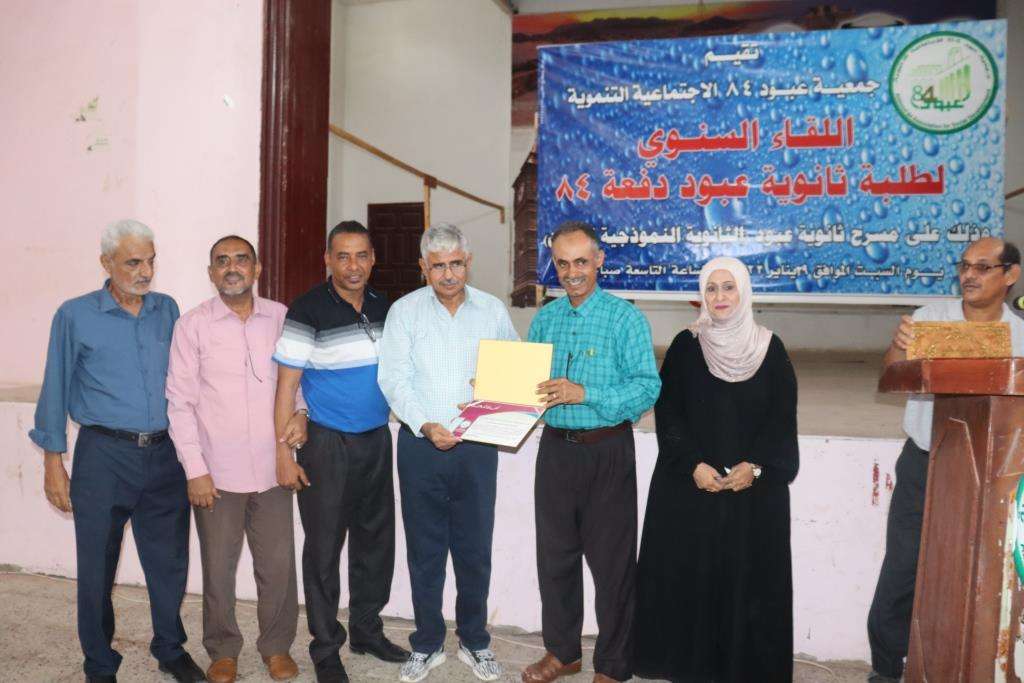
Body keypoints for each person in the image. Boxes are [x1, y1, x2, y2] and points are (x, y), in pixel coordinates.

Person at [30, 220, 205, 683]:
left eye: (150, 261)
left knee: (169, 562)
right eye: (133, 262)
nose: (145, 271)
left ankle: (170, 648)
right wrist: (53, 463)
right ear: (106, 263)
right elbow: (55, 387)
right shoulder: (75, 315)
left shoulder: (167, 310)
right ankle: (99, 661)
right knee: (96, 565)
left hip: (165, 456)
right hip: (103, 456)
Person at [632, 256, 799, 683]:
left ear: (744, 291)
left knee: (747, 587)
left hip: (751, 496)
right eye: (711, 288)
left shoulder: (771, 348)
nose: (720, 296)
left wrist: (756, 467)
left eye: (728, 287)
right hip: (694, 488)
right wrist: (692, 464)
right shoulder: (687, 345)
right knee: (693, 583)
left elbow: (781, 422)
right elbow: (669, 415)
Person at [866, 237, 1024, 682]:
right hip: (926, 463)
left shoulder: (1021, 335)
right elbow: (889, 375)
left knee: (986, 571)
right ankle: (886, 669)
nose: (969, 275)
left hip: (998, 475)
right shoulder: (929, 320)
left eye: (982, 267)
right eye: (964, 266)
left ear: (1010, 275)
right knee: (903, 568)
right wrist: (899, 347)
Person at [377, 223, 518, 683]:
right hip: (421, 446)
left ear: (468, 262)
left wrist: (497, 389)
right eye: (438, 266)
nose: (449, 274)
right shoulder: (404, 312)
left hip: (477, 448)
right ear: (424, 267)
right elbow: (393, 378)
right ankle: (428, 644)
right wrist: (425, 425)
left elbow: (515, 370)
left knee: (475, 549)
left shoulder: (492, 310)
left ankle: (475, 642)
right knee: (425, 550)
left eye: (456, 263)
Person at [166, 235, 310, 683]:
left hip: (273, 468)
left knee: (278, 567)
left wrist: (302, 414)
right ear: (211, 273)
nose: (232, 267)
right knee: (218, 569)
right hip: (216, 473)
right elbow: (179, 403)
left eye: (241, 259)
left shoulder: (282, 318)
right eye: (222, 261)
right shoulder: (192, 325)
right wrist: (195, 470)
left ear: (257, 268)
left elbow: (298, 383)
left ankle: (276, 647)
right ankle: (223, 650)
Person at [522, 221, 661, 683]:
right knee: (555, 559)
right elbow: (528, 385)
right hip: (555, 452)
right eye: (563, 264)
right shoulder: (545, 320)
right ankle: (563, 653)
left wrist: (586, 394)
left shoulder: (625, 319)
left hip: (607, 452)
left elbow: (647, 388)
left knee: (612, 566)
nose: (572, 273)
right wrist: (497, 392)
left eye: (581, 261)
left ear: (599, 260)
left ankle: (613, 665)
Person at [272, 221, 409, 683]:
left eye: (362, 255)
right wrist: (283, 455)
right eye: (343, 256)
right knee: (324, 548)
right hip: (326, 444)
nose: (353, 266)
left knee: (376, 542)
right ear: (328, 260)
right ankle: (326, 647)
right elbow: (286, 387)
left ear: (373, 260)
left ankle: (367, 631)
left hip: (376, 439)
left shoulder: (385, 308)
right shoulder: (307, 308)